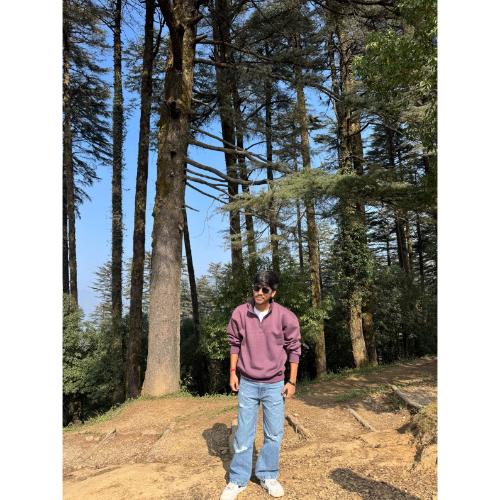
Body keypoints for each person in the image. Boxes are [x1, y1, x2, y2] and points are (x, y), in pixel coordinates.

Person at [220, 271, 302, 499]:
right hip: (247, 383)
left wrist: (292, 381)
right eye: (257, 287)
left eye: (265, 289)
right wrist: (233, 373)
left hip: (275, 384)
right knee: (243, 433)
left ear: (273, 293)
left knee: (274, 433)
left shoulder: (286, 317)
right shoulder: (240, 313)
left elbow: (294, 349)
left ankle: (268, 475)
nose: (259, 292)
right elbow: (234, 344)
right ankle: (238, 480)